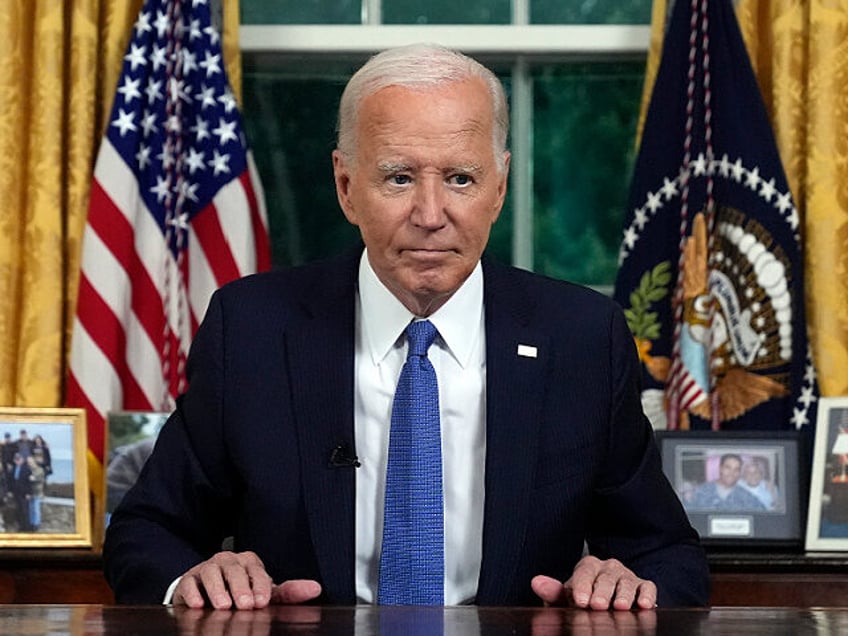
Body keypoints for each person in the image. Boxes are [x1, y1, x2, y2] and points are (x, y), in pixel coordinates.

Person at [103, 43, 709, 611]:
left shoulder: (580, 335)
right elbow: (147, 531)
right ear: (346, 187)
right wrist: (194, 579)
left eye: (460, 179)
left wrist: (626, 583)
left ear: (498, 187)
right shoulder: (254, 328)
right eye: (398, 178)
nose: (430, 215)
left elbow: (667, 556)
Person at [687, 454, 766, 512]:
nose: (732, 473)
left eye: (736, 469)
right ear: (720, 468)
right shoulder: (700, 492)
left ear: (740, 473)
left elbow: (764, 517)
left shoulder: (747, 497)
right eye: (728, 468)